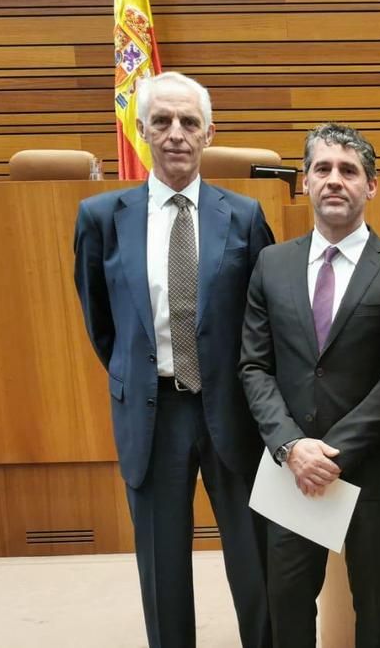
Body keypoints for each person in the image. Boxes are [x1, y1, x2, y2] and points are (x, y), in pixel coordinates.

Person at [73, 71, 273, 648]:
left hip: (230, 409)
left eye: (189, 122)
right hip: (153, 410)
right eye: (161, 121)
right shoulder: (102, 218)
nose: (176, 133)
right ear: (141, 132)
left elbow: (259, 321)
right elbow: (102, 325)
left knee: (252, 559)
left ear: (209, 133)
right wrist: (141, 373)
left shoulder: (243, 215)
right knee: (161, 568)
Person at [239, 122, 380, 648]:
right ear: (306, 182)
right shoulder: (272, 263)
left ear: (371, 185)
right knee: (288, 605)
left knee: (376, 608)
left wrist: (333, 451)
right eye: (323, 169)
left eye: (349, 170)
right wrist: (292, 446)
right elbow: (254, 366)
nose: (335, 180)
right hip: (292, 468)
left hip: (369, 468)